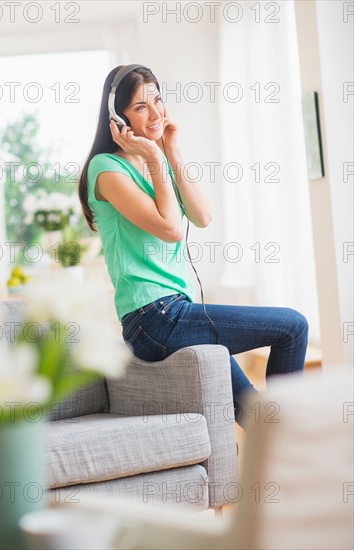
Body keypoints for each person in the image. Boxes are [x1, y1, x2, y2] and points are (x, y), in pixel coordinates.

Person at [78, 65, 309, 429]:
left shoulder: (159, 163)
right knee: (292, 327)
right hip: (151, 319)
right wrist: (155, 160)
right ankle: (291, 441)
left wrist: (171, 152)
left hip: (176, 311)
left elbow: (201, 216)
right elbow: (171, 229)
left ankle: (284, 459)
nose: (155, 113)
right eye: (140, 107)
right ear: (116, 117)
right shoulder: (106, 169)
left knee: (255, 415)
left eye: (157, 99)